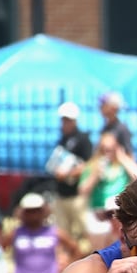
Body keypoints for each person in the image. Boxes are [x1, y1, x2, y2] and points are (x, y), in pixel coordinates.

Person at [10, 192, 77, 273]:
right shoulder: (16, 233)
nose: (33, 214)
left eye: (37, 210)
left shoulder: (55, 232)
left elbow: (75, 249)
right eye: (29, 211)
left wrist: (66, 269)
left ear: (43, 211)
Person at [80, 133, 137, 247]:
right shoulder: (92, 165)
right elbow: (82, 191)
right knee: (99, 249)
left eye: (111, 148)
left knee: (121, 246)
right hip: (99, 213)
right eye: (104, 149)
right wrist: (95, 176)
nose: (107, 152)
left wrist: (122, 157)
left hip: (118, 212)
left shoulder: (123, 164)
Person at [47, 102, 94, 252]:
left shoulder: (83, 139)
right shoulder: (62, 140)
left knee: (83, 231)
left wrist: (67, 174)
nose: (64, 123)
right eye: (63, 120)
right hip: (62, 194)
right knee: (63, 233)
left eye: (67, 120)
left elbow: (88, 165)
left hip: (76, 195)